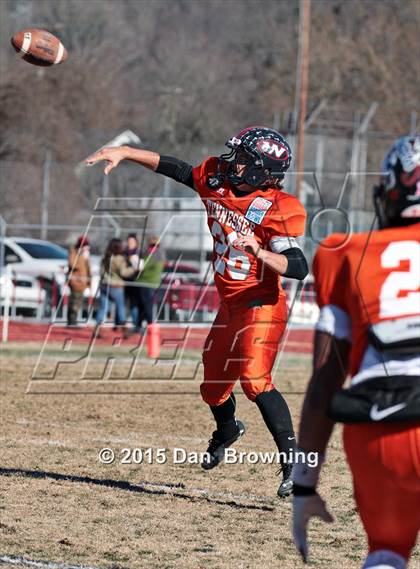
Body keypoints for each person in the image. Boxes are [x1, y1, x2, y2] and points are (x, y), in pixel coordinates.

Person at [86, 126, 309, 497]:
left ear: (261, 171)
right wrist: (126, 153)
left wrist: (259, 253)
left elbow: (298, 265)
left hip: (262, 303)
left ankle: (294, 465)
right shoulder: (218, 183)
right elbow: (177, 169)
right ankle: (227, 430)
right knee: (213, 390)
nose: (231, 164)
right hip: (230, 306)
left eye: (242, 161)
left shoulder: (278, 207)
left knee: (254, 380)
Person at [292, 135, 420, 567]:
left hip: (382, 426)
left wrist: (305, 484)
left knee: (386, 554)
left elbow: (326, 378)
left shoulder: (344, 254)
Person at [95, 238, 137, 336]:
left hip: (104, 285)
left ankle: (97, 328)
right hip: (116, 286)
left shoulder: (105, 257)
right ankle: (124, 330)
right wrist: (134, 269)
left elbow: (101, 272)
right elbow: (123, 272)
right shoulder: (119, 258)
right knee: (120, 307)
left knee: (103, 308)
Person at [134, 235, 165, 333]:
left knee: (146, 306)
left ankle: (149, 326)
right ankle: (141, 325)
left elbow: (143, 267)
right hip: (153, 283)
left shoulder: (151, 254)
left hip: (146, 283)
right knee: (145, 305)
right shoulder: (160, 254)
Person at [67, 235, 91, 326]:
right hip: (75, 282)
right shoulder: (74, 253)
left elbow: (88, 269)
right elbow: (72, 264)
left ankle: (73, 321)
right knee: (74, 303)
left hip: (83, 282)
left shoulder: (86, 255)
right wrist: (80, 256)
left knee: (78, 303)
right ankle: (72, 322)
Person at [124, 233, 141, 328]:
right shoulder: (124, 252)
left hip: (135, 282)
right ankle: (120, 323)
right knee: (123, 303)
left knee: (134, 304)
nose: (130, 243)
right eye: (129, 241)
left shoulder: (139, 252)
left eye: (132, 241)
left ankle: (136, 324)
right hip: (125, 281)